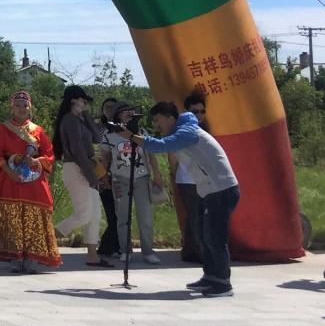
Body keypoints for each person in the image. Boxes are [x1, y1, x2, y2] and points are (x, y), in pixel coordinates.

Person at [126, 101, 239, 297]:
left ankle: (223, 284)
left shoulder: (187, 131)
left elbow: (160, 146)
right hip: (210, 190)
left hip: (221, 189)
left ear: (170, 117)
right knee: (204, 236)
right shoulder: (182, 131)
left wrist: (131, 137)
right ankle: (211, 277)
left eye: (158, 120)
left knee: (215, 238)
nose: (156, 125)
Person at [0, 90, 60, 273]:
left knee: (34, 216)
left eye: (25, 105)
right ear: (12, 107)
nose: (21, 109)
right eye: (17, 105)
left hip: (33, 180)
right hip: (11, 179)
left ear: (30, 107)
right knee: (12, 217)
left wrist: (37, 161)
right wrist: (9, 171)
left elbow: (49, 154)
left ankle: (32, 257)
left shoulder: (38, 131)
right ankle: (14, 257)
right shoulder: (3, 129)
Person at [52, 84, 111, 267]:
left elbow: (97, 138)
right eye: (83, 100)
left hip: (85, 168)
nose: (85, 103)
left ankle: (92, 256)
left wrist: (85, 115)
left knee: (95, 215)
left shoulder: (79, 119)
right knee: (84, 215)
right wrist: (93, 176)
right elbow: (77, 151)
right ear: (73, 101)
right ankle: (44, 239)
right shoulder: (69, 120)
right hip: (77, 169)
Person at [101, 101, 163, 265]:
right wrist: (105, 179)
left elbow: (151, 155)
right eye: (124, 111)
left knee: (146, 216)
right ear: (117, 115)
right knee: (122, 217)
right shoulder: (109, 135)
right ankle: (125, 250)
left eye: (130, 110)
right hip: (120, 179)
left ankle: (148, 251)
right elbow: (105, 158)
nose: (129, 113)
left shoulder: (141, 132)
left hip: (141, 177)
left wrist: (157, 175)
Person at [170, 92, 207, 265]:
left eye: (201, 111)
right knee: (195, 217)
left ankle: (190, 250)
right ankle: (199, 252)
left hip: (201, 181)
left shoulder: (204, 131)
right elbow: (173, 157)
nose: (199, 115)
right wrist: (173, 177)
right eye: (195, 112)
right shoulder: (181, 132)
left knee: (195, 217)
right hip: (187, 180)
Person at [96, 97, 121, 257]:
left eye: (113, 107)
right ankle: (108, 247)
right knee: (112, 213)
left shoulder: (124, 127)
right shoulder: (99, 128)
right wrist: (103, 175)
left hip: (120, 174)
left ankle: (115, 246)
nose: (109, 110)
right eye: (106, 107)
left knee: (120, 213)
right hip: (102, 173)